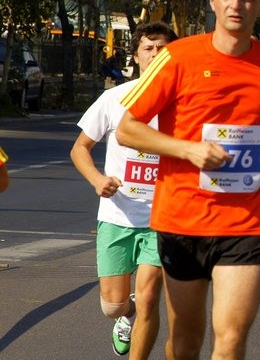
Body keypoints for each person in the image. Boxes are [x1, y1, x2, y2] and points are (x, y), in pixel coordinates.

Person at [116, 0, 260, 360]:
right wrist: (188, 149)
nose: (236, 5)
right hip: (184, 219)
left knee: (230, 338)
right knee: (185, 340)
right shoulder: (177, 57)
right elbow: (128, 128)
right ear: (212, 1)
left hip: (248, 221)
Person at [71, 21, 177, 358]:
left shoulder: (185, 103)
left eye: (163, 49)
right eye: (148, 48)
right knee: (113, 305)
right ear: (136, 55)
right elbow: (80, 148)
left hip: (162, 218)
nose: (155, 54)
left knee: (148, 297)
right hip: (117, 215)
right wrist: (97, 180)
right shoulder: (114, 98)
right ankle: (125, 316)